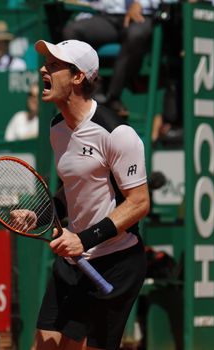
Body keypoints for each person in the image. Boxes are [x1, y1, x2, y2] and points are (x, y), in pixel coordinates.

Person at [32, 39, 149, 350]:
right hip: (72, 261)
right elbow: (71, 187)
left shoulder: (116, 133)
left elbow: (139, 203)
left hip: (117, 262)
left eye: (54, 65)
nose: (44, 69)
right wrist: (40, 213)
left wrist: (84, 239)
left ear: (78, 77)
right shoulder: (57, 128)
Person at [61, 0, 156, 117]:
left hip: (142, 16)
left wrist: (141, 3)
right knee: (72, 31)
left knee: (135, 35)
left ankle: (113, 97)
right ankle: (94, 91)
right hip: (107, 17)